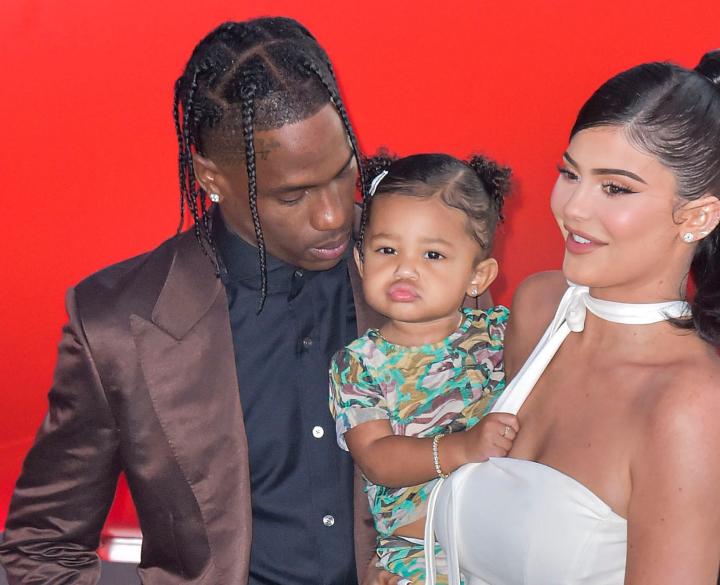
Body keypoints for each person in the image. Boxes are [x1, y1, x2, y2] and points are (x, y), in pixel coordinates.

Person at [0, 17, 491, 585]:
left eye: (341, 175)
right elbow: (43, 549)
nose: (333, 214)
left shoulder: (432, 268)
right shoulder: (117, 324)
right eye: (292, 195)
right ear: (212, 177)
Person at [424, 49, 720, 585]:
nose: (572, 207)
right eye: (569, 173)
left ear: (697, 216)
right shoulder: (539, 307)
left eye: (614, 187)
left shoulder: (688, 407)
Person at [329, 153, 517, 585]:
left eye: (432, 254)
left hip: (508, 542)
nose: (405, 268)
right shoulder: (358, 364)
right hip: (421, 557)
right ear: (361, 262)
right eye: (387, 249)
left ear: (478, 276)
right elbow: (376, 457)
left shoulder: (501, 335)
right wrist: (463, 448)